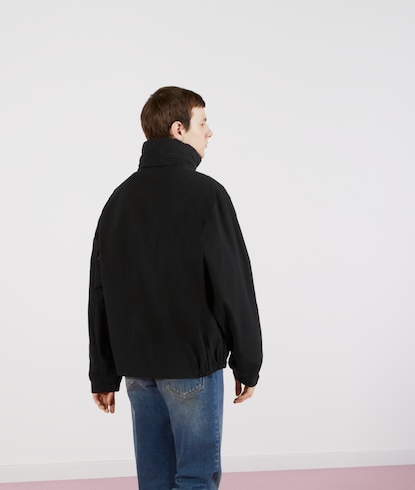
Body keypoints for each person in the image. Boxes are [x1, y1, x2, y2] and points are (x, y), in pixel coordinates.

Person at [88, 86, 263, 489]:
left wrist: (103, 373)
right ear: (178, 129)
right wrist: (248, 362)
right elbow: (233, 285)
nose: (210, 132)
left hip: (138, 371)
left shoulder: (119, 200)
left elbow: (100, 292)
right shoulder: (207, 195)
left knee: (155, 482)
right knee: (195, 478)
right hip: (191, 367)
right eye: (203, 123)